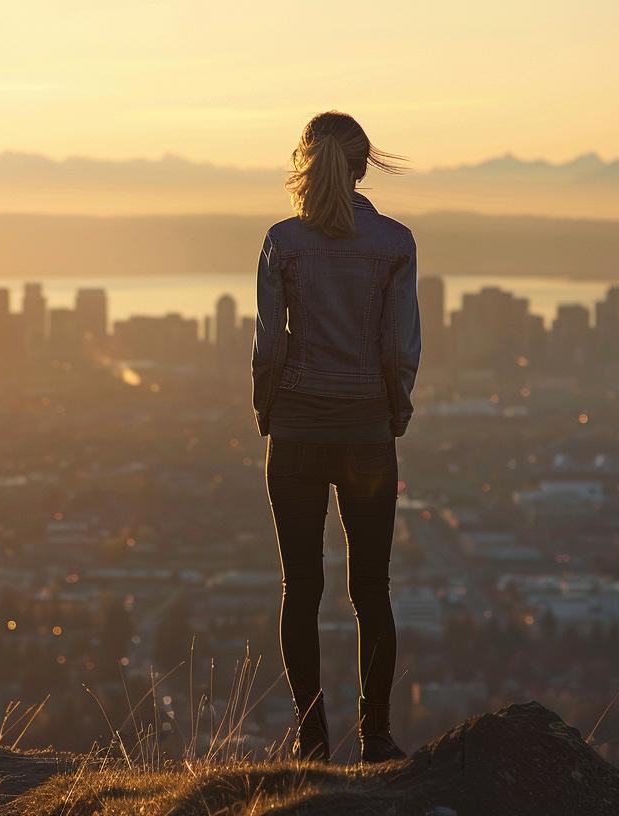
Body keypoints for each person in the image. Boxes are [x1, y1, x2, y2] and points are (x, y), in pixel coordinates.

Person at [251, 110, 420, 764]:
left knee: (302, 588)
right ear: (363, 164)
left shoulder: (282, 242)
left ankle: (312, 737)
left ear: (305, 161)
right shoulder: (395, 244)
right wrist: (393, 411)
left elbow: (269, 347)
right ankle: (375, 736)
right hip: (367, 435)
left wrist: (268, 409)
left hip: (295, 432)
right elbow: (399, 346)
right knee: (371, 589)